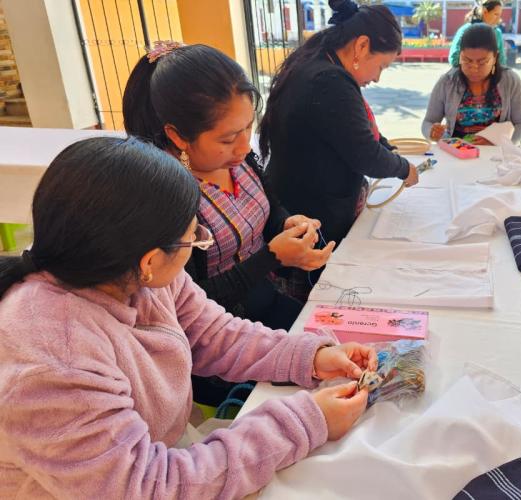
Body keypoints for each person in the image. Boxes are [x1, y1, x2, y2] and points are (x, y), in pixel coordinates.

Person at [0, 137, 375, 498]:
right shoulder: (55, 363)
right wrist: (304, 423)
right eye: (193, 238)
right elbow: (150, 488)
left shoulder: (128, 270)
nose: (198, 242)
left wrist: (310, 356)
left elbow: (215, 334)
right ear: (149, 259)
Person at [123, 42, 333, 406]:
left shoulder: (239, 159)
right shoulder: (167, 198)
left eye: (248, 127)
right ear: (178, 136)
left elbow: (270, 208)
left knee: (333, 347)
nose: (243, 146)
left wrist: (288, 224)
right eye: (227, 138)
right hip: (218, 348)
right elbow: (190, 303)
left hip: (266, 307)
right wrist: (272, 257)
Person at [258, 0, 418, 273]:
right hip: (312, 214)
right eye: (381, 66)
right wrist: (403, 168)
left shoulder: (318, 65)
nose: (377, 78)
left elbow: (354, 130)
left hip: (301, 202)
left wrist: (387, 149)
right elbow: (365, 154)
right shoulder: (330, 82)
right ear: (362, 46)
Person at [423, 23, 521, 144]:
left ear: (495, 57)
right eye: (467, 60)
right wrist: (432, 132)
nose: (474, 68)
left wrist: (497, 141)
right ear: (460, 56)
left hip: (497, 151)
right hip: (456, 151)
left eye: (482, 62)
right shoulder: (448, 82)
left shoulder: (510, 81)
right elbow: (428, 122)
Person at [448, 0, 506, 67]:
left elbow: (502, 62)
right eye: (496, 14)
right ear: (485, 11)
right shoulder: (466, 30)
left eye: (500, 15)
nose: (498, 19)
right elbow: (454, 58)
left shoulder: (497, 33)